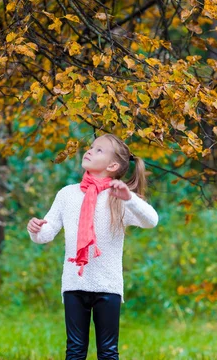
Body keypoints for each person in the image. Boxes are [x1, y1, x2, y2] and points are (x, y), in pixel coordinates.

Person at [27, 133, 159, 360]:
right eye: (91, 147)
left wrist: (130, 198)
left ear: (113, 165)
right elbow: (46, 235)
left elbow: (151, 221)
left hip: (107, 286)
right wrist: (35, 228)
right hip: (74, 283)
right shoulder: (67, 194)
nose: (89, 151)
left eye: (99, 150)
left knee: (108, 352)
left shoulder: (118, 197)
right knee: (75, 351)